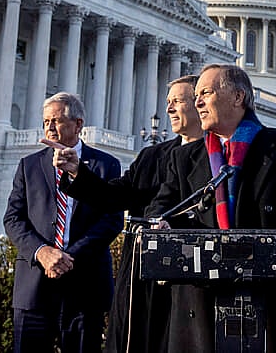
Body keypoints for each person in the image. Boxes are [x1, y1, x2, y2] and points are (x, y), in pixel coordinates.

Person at [146, 63, 276, 353]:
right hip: (199, 310)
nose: (198, 102)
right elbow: (163, 208)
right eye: (196, 96)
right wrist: (160, 226)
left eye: (206, 92)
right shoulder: (184, 158)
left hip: (269, 306)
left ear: (238, 97)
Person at [59, 75, 204, 353]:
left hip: (187, 285)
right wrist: (77, 172)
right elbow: (114, 196)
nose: (169, 109)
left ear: (199, 104)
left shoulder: (218, 157)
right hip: (141, 282)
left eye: (177, 101)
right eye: (168, 102)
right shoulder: (152, 155)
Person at [3, 92, 123, 353]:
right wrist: (43, 252)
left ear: (78, 124)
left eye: (56, 121)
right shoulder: (29, 165)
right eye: (46, 121)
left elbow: (111, 220)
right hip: (34, 286)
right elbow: (13, 218)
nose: (50, 127)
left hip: (85, 286)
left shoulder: (106, 165)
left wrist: (69, 257)